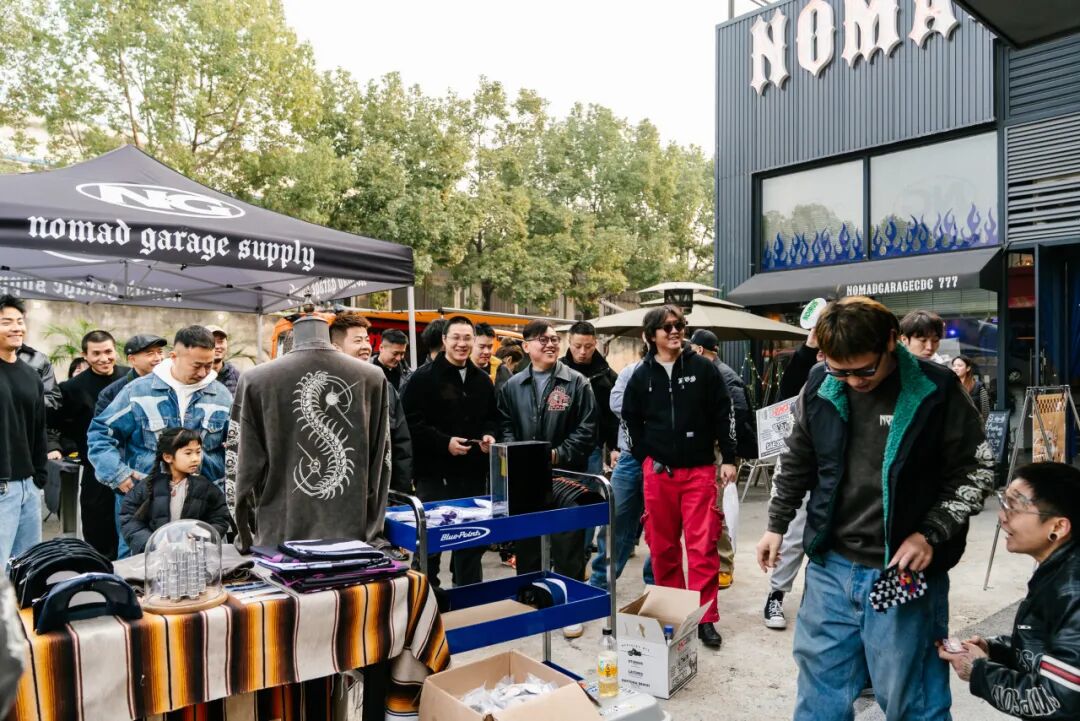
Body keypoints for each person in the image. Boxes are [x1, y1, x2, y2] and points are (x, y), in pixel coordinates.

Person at [755, 296, 993, 720]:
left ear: (890, 342)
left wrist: (930, 532)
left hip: (902, 570)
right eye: (840, 371)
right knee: (819, 691)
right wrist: (777, 523)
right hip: (831, 567)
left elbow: (976, 471)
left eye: (864, 370)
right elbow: (797, 459)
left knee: (911, 697)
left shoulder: (935, 389)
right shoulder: (820, 383)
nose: (853, 382)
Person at [622, 305, 735, 649]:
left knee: (702, 548)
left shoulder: (703, 368)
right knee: (663, 548)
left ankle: (705, 618)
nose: (675, 331)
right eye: (667, 326)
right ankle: (674, 614)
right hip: (659, 474)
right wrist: (647, 458)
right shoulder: (641, 376)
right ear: (650, 335)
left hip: (699, 471)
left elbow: (724, 412)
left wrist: (729, 458)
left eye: (679, 325)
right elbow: (630, 421)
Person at [939, 462, 1080, 719]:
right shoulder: (1056, 571)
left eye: (1013, 508)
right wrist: (995, 650)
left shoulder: (1072, 591)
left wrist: (979, 670)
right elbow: (1047, 649)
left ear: (1058, 527)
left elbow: (1058, 701)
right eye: (1003, 502)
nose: (1002, 516)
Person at [88, 326, 232, 558]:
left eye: (209, 364)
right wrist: (118, 475)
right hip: (146, 505)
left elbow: (237, 445)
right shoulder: (138, 391)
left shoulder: (222, 395)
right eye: (197, 365)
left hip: (203, 503)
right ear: (174, 357)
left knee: (203, 570)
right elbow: (100, 433)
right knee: (140, 570)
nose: (204, 372)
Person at [497, 319, 597, 638]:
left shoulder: (577, 383)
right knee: (528, 543)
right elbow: (505, 424)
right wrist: (519, 453)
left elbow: (587, 429)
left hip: (567, 476)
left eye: (554, 339)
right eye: (543, 339)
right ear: (526, 346)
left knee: (568, 545)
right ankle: (532, 604)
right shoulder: (512, 385)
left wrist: (556, 454)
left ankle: (570, 610)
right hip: (527, 476)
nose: (551, 344)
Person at [401, 316, 497, 587]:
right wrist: (444, 443)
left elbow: (492, 417)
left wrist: (489, 435)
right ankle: (425, 598)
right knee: (430, 545)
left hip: (472, 474)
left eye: (467, 338)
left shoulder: (482, 380)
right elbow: (411, 424)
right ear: (444, 340)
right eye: (456, 337)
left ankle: (467, 596)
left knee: (471, 542)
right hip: (434, 476)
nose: (461, 344)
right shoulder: (422, 378)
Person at [52, 329, 127, 558]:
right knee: (97, 530)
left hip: (131, 465)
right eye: (96, 353)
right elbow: (58, 426)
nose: (104, 358)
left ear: (116, 351)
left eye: (108, 352)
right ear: (85, 355)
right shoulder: (71, 388)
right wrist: (64, 447)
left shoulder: (132, 378)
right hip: (95, 471)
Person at [690, 329, 755, 590]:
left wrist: (725, 448)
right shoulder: (705, 372)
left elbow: (738, 412)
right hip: (705, 452)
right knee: (707, 509)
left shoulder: (725, 375)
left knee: (719, 509)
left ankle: (725, 565)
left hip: (721, 454)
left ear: (699, 350)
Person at [589, 344, 648, 592]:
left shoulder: (682, 373)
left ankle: (656, 586)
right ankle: (600, 583)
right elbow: (617, 404)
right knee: (615, 520)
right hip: (630, 456)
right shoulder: (631, 371)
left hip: (666, 460)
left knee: (662, 528)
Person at [119, 427, 232, 555]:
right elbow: (129, 519)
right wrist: (152, 543)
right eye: (188, 453)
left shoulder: (205, 487)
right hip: (157, 557)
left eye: (198, 452)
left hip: (194, 556)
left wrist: (202, 536)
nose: (196, 458)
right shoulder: (148, 486)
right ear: (168, 457)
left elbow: (220, 517)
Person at [0, 296, 47, 570]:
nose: (16, 327)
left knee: (28, 570)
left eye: (19, 321)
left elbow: (38, 428)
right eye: (6, 322)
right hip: (2, 484)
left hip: (28, 486)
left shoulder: (31, 375)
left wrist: (39, 477)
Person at [94, 334, 167, 416]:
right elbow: (102, 423)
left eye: (160, 352)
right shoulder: (111, 393)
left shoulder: (172, 383)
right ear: (132, 359)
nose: (158, 358)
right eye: (150, 353)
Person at [472, 323, 512, 391]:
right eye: (482, 347)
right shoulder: (461, 369)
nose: (486, 352)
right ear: (471, 345)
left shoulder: (502, 371)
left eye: (490, 347)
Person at [952, 355, 991, 421]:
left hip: (973, 424)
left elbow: (985, 411)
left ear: (968, 368)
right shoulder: (950, 385)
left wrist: (981, 425)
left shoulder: (978, 386)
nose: (956, 368)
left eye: (959, 366)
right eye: (954, 366)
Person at [205, 325, 241, 394]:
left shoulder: (236, 376)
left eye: (220, 341)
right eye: (211, 342)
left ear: (227, 344)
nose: (217, 346)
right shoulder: (196, 375)